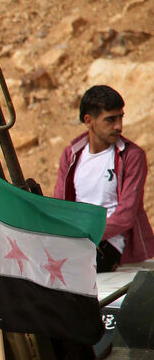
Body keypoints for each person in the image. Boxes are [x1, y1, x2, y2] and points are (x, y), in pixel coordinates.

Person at [53, 85, 153, 271]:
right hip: (78, 240)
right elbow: (60, 205)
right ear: (89, 121)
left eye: (121, 117)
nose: (119, 126)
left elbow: (125, 217)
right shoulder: (71, 155)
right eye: (110, 119)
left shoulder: (131, 156)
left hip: (111, 244)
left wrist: (86, 235)